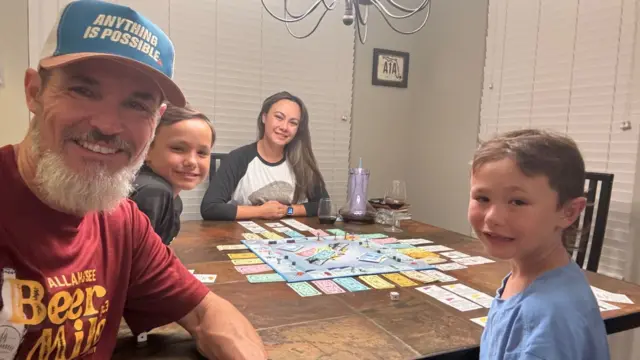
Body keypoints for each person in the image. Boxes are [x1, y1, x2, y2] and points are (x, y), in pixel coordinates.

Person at [0, 1, 266, 359]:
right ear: (34, 92)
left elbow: (208, 314)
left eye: (137, 105)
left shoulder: (123, 223)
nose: (108, 125)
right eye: (83, 90)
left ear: (155, 121)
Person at [468, 129, 610, 360]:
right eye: (482, 198)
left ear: (569, 212)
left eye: (518, 201)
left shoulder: (549, 318)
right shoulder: (525, 275)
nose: (493, 217)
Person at [200, 91, 329, 221]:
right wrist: (260, 211)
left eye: (293, 123)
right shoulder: (238, 158)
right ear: (264, 118)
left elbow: (323, 205)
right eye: (279, 117)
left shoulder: (301, 162)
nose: (284, 127)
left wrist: (288, 210)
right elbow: (210, 207)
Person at [130, 103, 215, 245]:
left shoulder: (173, 199)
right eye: (178, 148)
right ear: (147, 149)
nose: (192, 162)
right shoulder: (153, 192)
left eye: (202, 153)